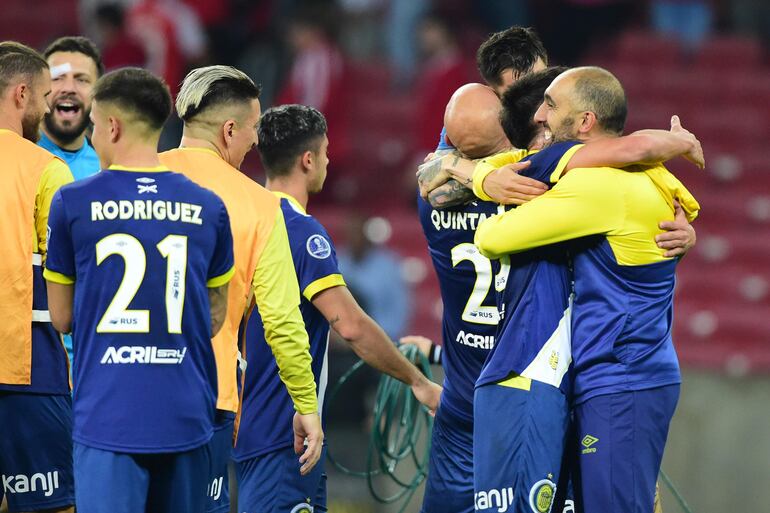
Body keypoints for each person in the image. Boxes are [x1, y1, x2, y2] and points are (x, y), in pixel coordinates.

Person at [473, 66, 702, 513]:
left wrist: (486, 182)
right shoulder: (644, 170)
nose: (540, 114)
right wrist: (481, 175)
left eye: (552, 105)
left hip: (622, 377)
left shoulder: (597, 186)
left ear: (585, 123)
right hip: (621, 373)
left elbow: (492, 238)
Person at [44, 68, 234, 513]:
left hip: (109, 414)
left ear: (111, 126)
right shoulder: (209, 207)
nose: (91, 134)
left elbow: (61, 318)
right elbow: (215, 316)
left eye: (93, 124)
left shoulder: (72, 203)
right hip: (187, 410)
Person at [235, 104, 442, 512]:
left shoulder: (245, 222)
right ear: (308, 160)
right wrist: (417, 381)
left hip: (249, 423)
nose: (329, 160)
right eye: (325, 152)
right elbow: (349, 325)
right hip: (286, 432)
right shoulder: (301, 231)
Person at [159, 65, 323, 513]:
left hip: (121, 389)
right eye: (252, 129)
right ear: (229, 129)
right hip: (204, 395)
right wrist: (306, 405)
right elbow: (284, 322)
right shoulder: (259, 205)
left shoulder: (132, 176)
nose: (255, 142)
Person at [0, 41, 75, 513]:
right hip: (25, 367)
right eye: (46, 99)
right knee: (54, 507)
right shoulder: (45, 168)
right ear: (22, 95)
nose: (48, 110)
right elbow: (70, 270)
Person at [38, 36, 103, 371]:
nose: (68, 88)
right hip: (24, 366)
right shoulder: (14, 162)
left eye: (81, 79)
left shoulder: (112, 172)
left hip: (91, 365)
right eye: (57, 78)